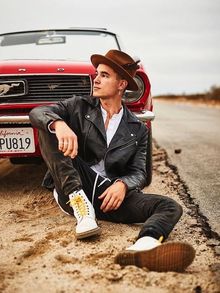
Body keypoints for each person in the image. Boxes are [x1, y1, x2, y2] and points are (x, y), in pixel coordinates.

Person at [29, 49, 195, 272]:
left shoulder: (138, 128)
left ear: (121, 84)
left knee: (170, 206)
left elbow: (140, 172)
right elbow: (38, 112)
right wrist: (59, 124)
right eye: (97, 74)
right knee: (47, 128)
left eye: (104, 75)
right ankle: (83, 210)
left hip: (109, 196)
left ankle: (143, 247)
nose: (95, 79)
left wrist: (123, 185)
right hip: (75, 184)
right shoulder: (78, 106)